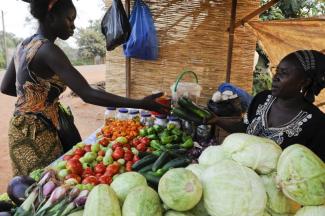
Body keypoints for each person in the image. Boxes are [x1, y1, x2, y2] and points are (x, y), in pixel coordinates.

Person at [0, 0, 168, 176]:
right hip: (37, 133)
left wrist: (35, 99)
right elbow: (86, 93)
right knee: (44, 185)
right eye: (69, 19)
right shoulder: (48, 50)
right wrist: (141, 104)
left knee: (27, 187)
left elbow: (6, 87)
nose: (73, 26)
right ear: (51, 17)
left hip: (20, 129)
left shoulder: (23, 45)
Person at [208, 50, 325, 161]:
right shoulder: (262, 98)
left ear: (304, 82)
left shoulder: (317, 124)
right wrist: (217, 120)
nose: (275, 78)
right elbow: (245, 127)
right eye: (277, 71)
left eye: (283, 73)